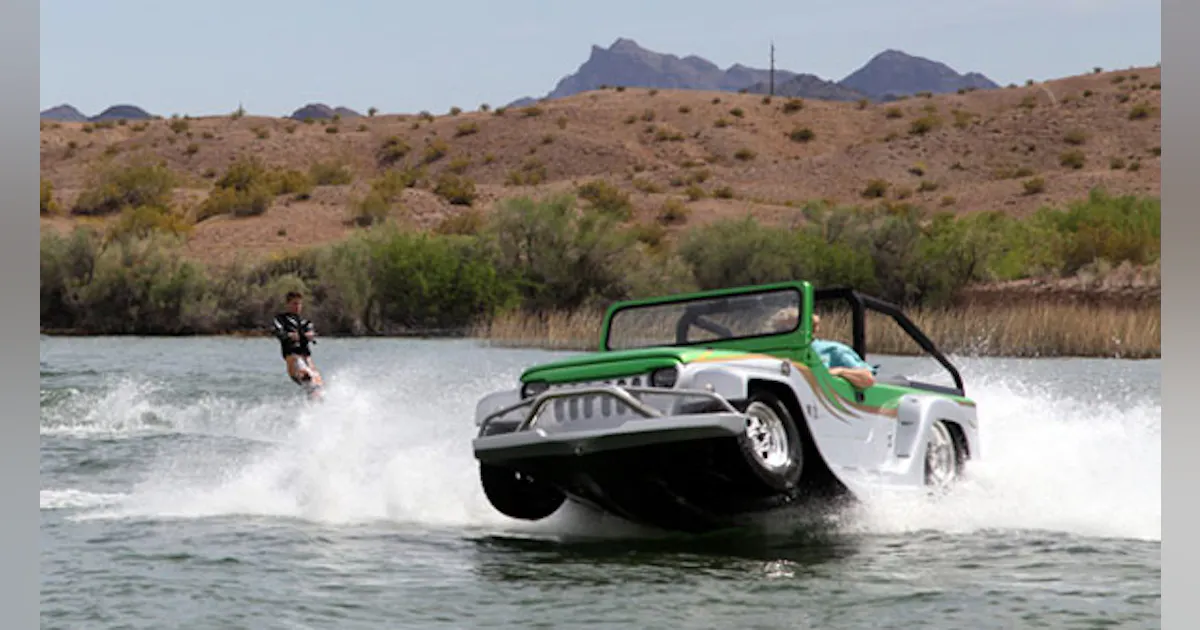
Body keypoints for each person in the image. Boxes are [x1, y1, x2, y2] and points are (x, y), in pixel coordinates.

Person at [765, 307, 877, 389]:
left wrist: (840, 371)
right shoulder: (769, 354)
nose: (785, 332)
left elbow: (868, 379)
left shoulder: (833, 350)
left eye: (790, 327)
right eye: (781, 328)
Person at [271, 291, 325, 400]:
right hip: (293, 360)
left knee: (319, 385)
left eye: (299, 304)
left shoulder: (306, 323)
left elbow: (311, 333)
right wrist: (289, 335)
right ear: (288, 304)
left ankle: (318, 409)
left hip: (307, 360)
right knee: (306, 375)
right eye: (294, 303)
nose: (297, 306)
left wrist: (309, 335)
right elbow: (278, 332)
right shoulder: (280, 319)